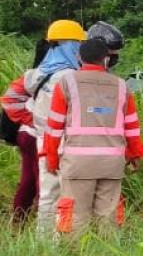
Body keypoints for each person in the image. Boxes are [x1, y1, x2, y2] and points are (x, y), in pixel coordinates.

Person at [43, 37, 143, 237]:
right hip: (111, 165)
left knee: (75, 217)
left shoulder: (66, 83)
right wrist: (135, 155)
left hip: (77, 165)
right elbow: (132, 129)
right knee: (108, 219)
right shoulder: (121, 86)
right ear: (106, 59)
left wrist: (51, 159)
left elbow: (53, 128)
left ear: (78, 57)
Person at [2, 19, 87, 231]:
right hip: (59, 140)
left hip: (36, 137)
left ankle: (31, 233)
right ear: (72, 45)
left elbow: (10, 98)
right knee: (58, 188)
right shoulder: (72, 76)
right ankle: (58, 234)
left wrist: (32, 119)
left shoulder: (37, 73)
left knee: (37, 187)